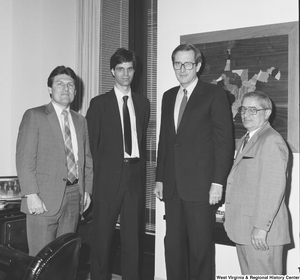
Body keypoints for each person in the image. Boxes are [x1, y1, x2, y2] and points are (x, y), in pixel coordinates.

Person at [154, 43, 234, 279]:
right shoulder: (168, 96)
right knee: (173, 247)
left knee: (200, 250)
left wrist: (218, 183)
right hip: (172, 185)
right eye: (177, 64)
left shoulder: (214, 94)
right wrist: (160, 178)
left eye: (187, 64)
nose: (182, 69)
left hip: (201, 186)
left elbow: (224, 143)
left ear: (198, 66)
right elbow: (165, 141)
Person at [86, 48, 150, 280]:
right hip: (107, 179)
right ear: (113, 71)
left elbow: (140, 143)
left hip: (134, 177)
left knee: (133, 239)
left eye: (130, 69)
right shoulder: (99, 104)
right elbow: (90, 148)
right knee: (102, 239)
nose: (125, 74)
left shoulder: (143, 104)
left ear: (135, 71)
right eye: (120, 69)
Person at [16, 66, 93, 256]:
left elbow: (87, 160)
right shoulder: (35, 115)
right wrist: (31, 194)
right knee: (41, 260)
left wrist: (87, 191)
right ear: (50, 89)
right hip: (43, 199)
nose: (65, 89)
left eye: (70, 85)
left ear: (75, 91)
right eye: (60, 84)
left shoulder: (81, 121)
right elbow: (24, 158)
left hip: (74, 197)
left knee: (64, 259)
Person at [224, 91, 290, 275]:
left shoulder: (271, 140)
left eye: (253, 110)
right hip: (244, 228)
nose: (246, 114)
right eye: (243, 109)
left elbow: (273, 188)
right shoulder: (246, 140)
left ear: (267, 113)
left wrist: (261, 227)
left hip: (261, 233)